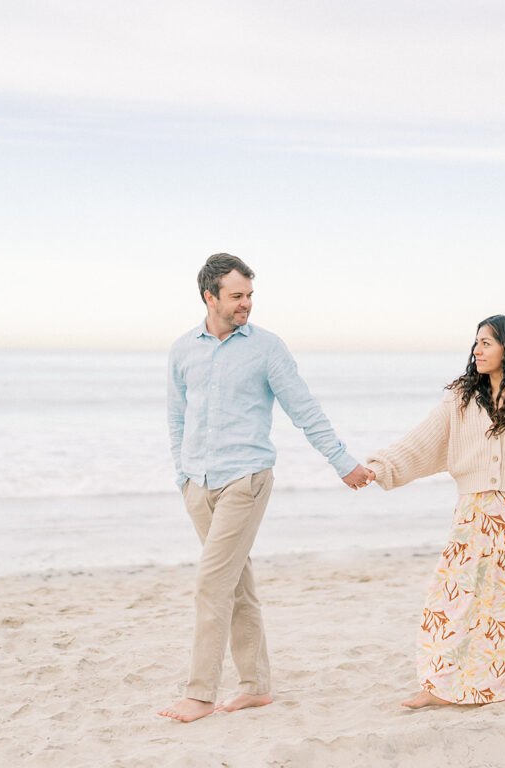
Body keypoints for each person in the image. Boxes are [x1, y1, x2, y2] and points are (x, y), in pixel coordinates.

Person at [158, 253, 374, 723]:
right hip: (199, 484)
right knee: (235, 584)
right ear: (208, 296)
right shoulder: (182, 350)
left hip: (245, 481)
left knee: (211, 583)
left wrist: (342, 462)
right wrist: (182, 477)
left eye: (250, 295)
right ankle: (256, 686)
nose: (246, 304)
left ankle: (199, 694)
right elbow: (177, 417)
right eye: (237, 296)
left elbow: (304, 409)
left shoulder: (267, 348)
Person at [365, 314, 505, 709]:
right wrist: (379, 468)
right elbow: (422, 442)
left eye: (487, 342)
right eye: (476, 342)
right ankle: (439, 685)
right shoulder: (460, 398)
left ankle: (499, 684)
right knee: (452, 600)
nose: (477, 349)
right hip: (472, 517)